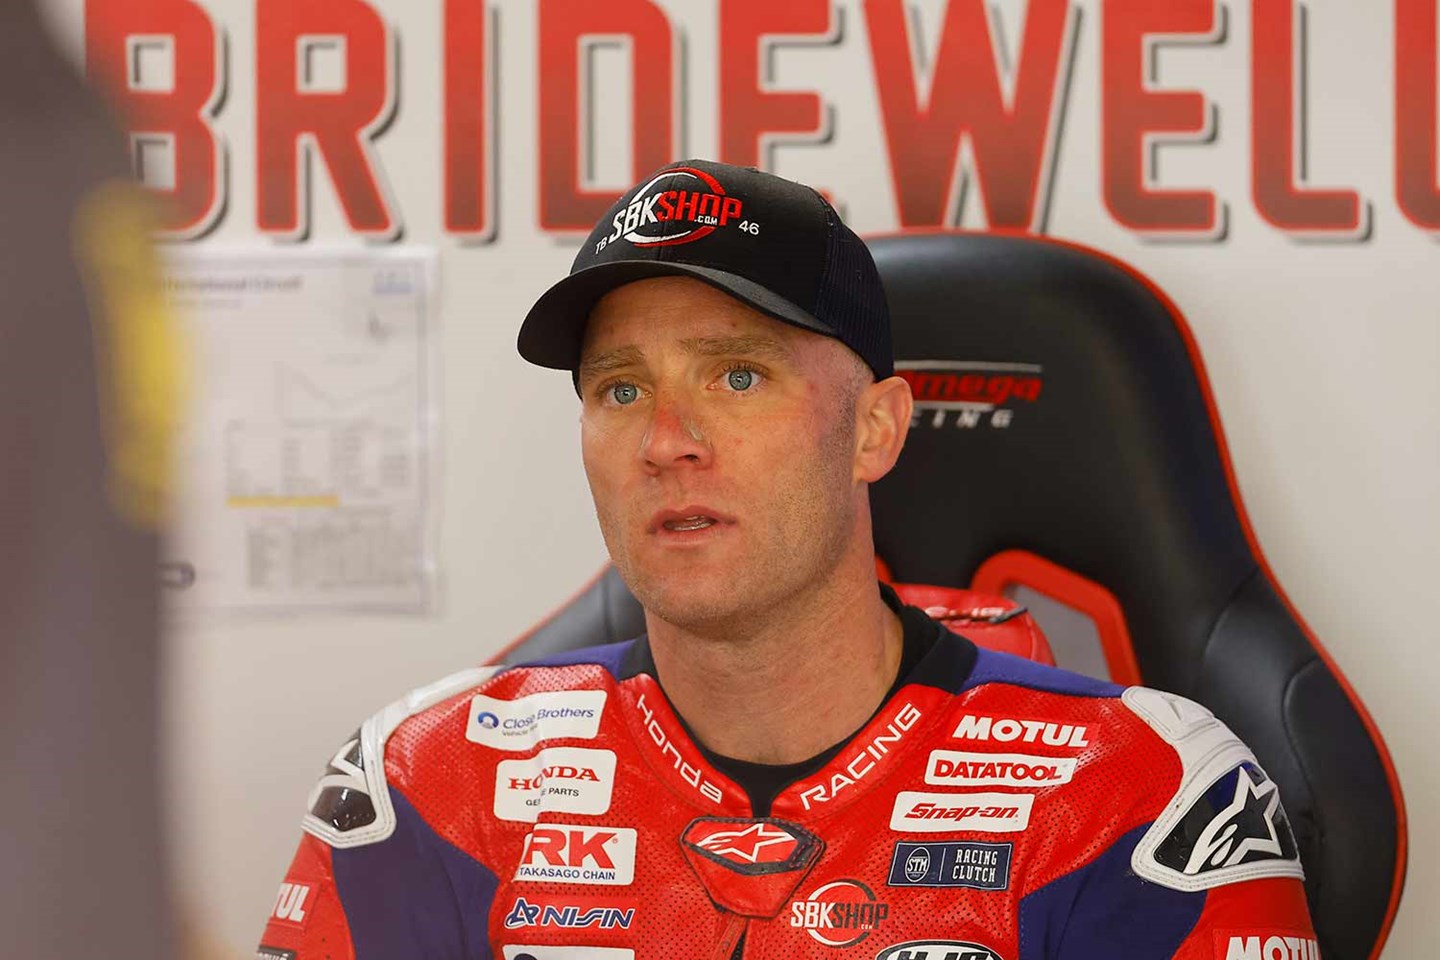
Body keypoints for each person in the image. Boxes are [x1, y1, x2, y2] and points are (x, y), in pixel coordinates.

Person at [260, 160, 1317, 960]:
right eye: (621, 389)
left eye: (737, 377)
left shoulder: (1137, 796)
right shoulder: (431, 779)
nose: (666, 439)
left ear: (875, 430)